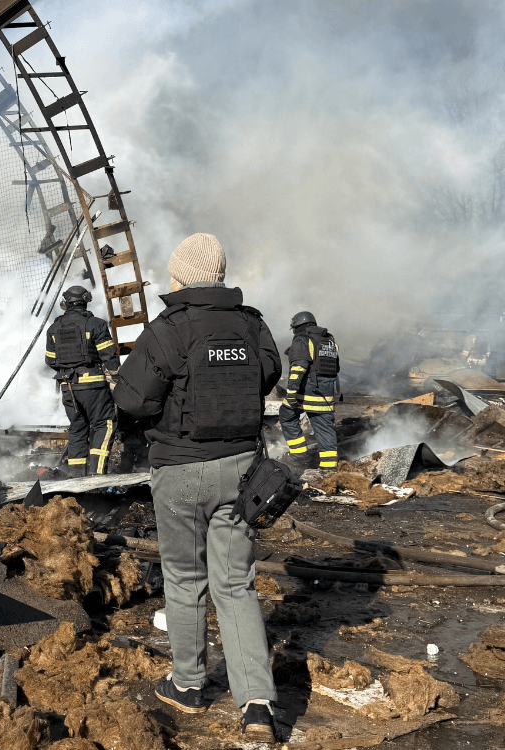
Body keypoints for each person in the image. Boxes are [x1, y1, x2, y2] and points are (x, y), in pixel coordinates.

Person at [113, 233, 281, 742]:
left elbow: (132, 399)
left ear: (181, 277)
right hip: (243, 472)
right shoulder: (252, 324)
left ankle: (187, 685)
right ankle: (257, 705)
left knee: (186, 581)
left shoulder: (169, 329)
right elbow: (267, 375)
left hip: (182, 472)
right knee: (235, 584)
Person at [45, 286, 120, 475]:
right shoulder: (96, 324)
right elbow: (109, 355)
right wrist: (117, 379)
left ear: (65, 303)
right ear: (86, 300)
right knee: (104, 425)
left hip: (68, 387)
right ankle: (97, 474)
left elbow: (50, 360)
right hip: (94, 386)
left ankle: (76, 477)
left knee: (77, 428)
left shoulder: (54, 328)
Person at [279, 311, 339, 471]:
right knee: (325, 429)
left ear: (297, 326)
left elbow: (299, 368)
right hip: (326, 395)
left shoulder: (302, 339)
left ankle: (299, 458)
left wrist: (291, 392)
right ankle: (329, 468)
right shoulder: (328, 341)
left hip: (306, 394)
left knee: (286, 415)